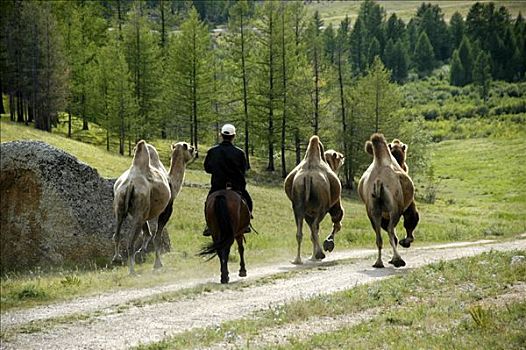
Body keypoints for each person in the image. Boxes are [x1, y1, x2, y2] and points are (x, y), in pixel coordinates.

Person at [203, 123, 253, 236]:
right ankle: (247, 224)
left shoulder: (212, 151)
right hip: (236, 186)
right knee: (248, 201)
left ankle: (208, 226)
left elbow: (207, 168)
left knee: (208, 203)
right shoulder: (239, 153)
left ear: (221, 135)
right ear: (233, 136)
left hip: (217, 185)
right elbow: (244, 169)